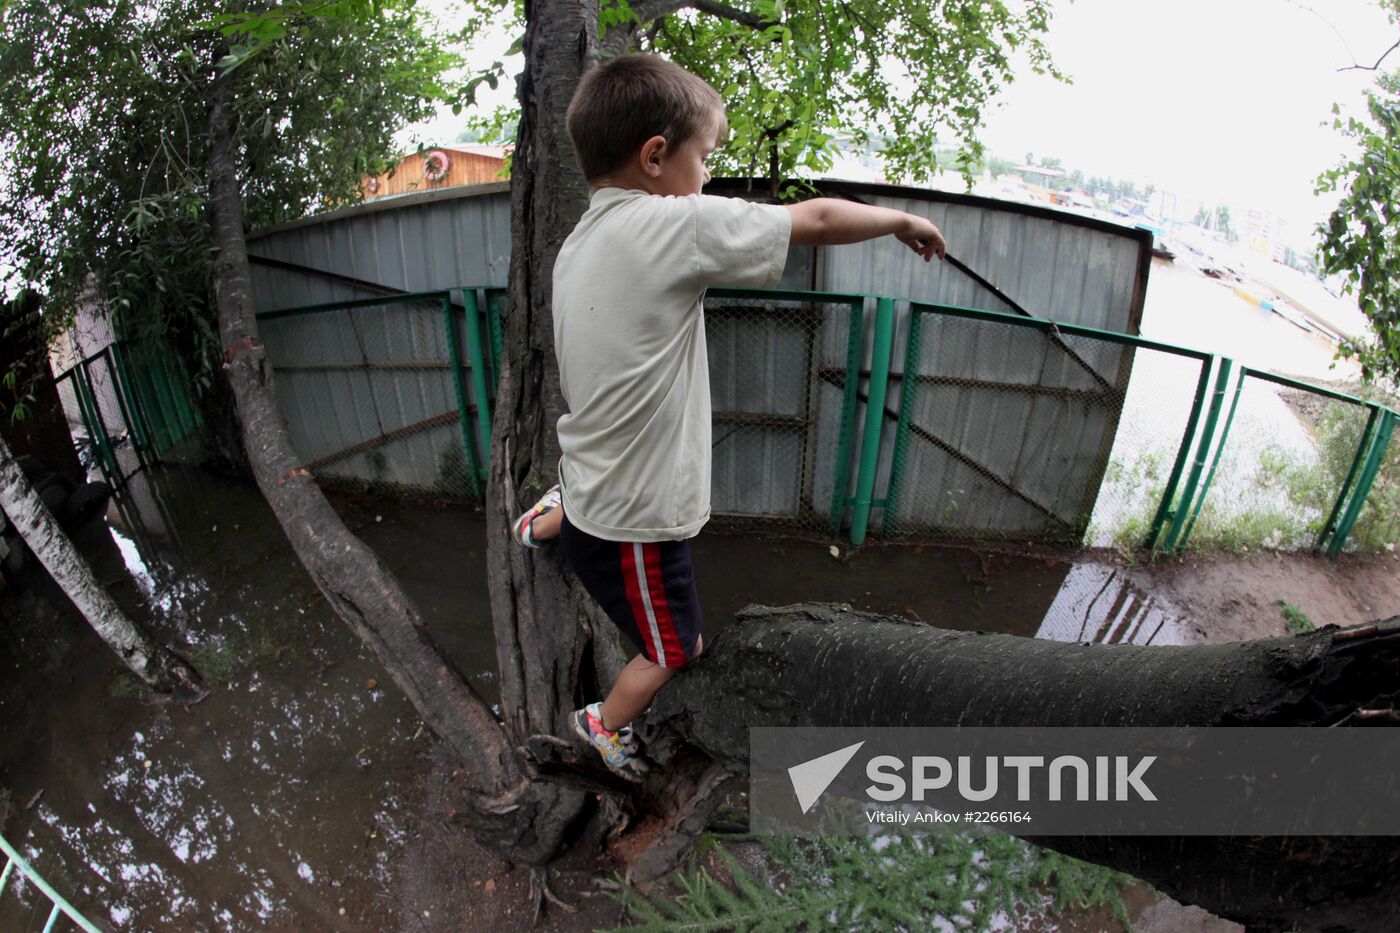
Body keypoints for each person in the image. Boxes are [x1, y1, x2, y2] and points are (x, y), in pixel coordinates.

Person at [510, 53, 946, 781]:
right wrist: (900, 218)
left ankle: (548, 514)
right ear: (655, 157)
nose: (709, 175)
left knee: (596, 433)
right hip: (631, 521)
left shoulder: (579, 242)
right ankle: (602, 722)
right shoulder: (671, 226)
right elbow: (816, 216)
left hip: (592, 460)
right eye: (705, 157)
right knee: (676, 646)